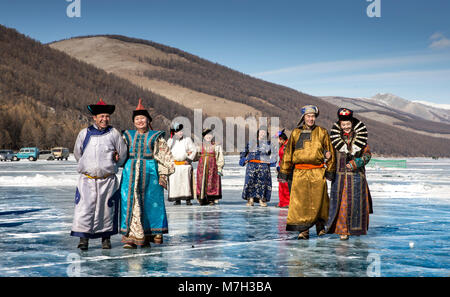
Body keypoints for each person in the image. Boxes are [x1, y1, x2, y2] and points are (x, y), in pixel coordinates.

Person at [71, 98, 128, 250]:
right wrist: (89, 166)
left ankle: (106, 239)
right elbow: (78, 153)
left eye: (107, 116)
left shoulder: (114, 133)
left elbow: (122, 153)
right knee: (84, 209)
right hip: (87, 180)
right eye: (101, 116)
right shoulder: (84, 134)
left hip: (107, 180)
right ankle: (84, 239)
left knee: (106, 210)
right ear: (94, 117)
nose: (104, 119)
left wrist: (115, 163)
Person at [119, 99, 175, 249]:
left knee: (150, 205)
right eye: (137, 119)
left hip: (150, 174)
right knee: (130, 203)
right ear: (133, 121)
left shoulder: (156, 137)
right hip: (129, 173)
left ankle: (147, 236)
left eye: (142, 118)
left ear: (148, 120)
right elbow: (119, 153)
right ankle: (131, 238)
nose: (140, 121)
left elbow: (164, 157)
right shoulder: (127, 136)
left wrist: (163, 175)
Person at [278, 105, 335, 239]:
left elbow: (330, 151)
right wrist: (284, 171)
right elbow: (288, 154)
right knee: (300, 202)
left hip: (317, 171)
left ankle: (320, 225)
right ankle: (303, 230)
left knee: (319, 200)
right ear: (303, 117)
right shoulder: (296, 133)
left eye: (313, 116)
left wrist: (330, 170)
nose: (311, 119)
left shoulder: (322, 132)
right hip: (299, 172)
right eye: (308, 116)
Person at [326, 108, 373, 240]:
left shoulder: (361, 138)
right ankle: (343, 231)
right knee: (341, 205)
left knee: (356, 204)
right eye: (343, 124)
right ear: (340, 125)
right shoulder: (334, 139)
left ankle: (355, 229)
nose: (346, 127)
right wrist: (327, 156)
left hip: (357, 176)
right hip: (340, 177)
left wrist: (356, 162)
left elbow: (367, 156)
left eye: (348, 124)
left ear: (352, 123)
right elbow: (329, 154)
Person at [240, 126, 276, 207]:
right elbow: (243, 152)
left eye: (264, 132)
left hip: (264, 166)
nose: (262, 133)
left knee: (263, 183)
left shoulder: (269, 144)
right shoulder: (251, 142)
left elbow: (274, 154)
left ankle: (261, 200)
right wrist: (243, 160)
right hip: (252, 166)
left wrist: (272, 161)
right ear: (258, 133)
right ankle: (250, 199)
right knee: (250, 182)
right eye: (261, 132)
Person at [167, 122, 197, 205]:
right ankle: (177, 199)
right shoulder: (170, 141)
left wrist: (189, 159)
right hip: (175, 165)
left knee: (186, 183)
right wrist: (169, 162)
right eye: (178, 131)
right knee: (175, 182)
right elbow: (166, 152)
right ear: (174, 132)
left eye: (181, 131)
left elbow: (193, 150)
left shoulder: (187, 140)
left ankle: (188, 199)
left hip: (184, 164)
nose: (181, 133)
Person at [196, 128, 225, 205]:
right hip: (202, 167)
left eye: (210, 134)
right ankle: (202, 197)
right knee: (201, 181)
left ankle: (212, 198)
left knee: (211, 181)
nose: (208, 136)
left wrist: (220, 167)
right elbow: (195, 155)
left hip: (213, 167)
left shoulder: (216, 145)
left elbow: (220, 157)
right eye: (206, 135)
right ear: (203, 136)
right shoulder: (199, 145)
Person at [276, 129, 290, 208]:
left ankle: (286, 202)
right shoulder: (283, 145)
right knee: (282, 186)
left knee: (285, 186)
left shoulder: (287, 145)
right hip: (281, 167)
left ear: (281, 139)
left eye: (278, 139)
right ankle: (282, 202)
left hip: (285, 168)